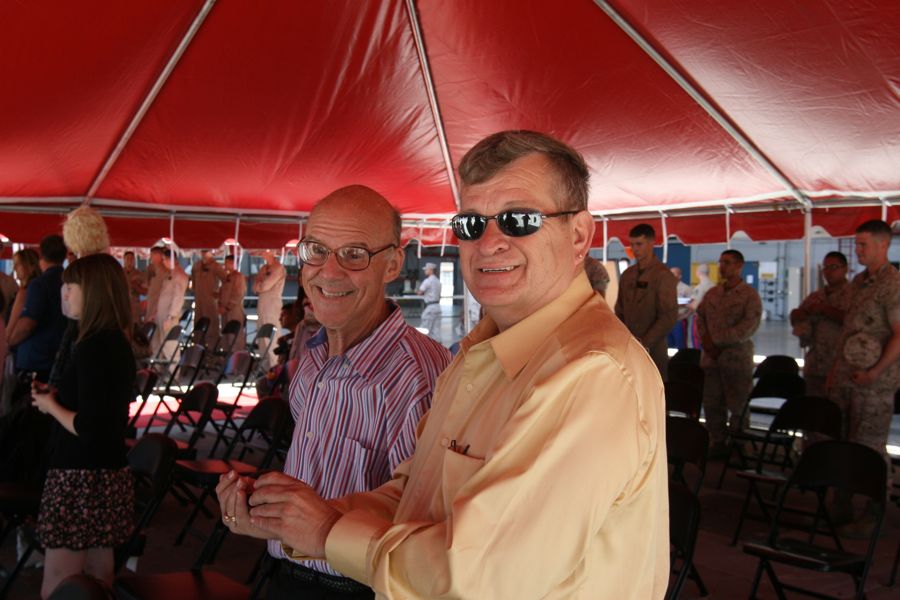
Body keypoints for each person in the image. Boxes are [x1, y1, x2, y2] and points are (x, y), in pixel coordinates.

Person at [217, 131, 668, 598]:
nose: (489, 242)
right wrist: (292, 517)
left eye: (518, 220)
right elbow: (415, 498)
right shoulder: (483, 354)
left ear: (578, 235)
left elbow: (483, 578)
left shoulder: (590, 372)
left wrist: (327, 532)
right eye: (472, 225)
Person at [220, 185, 451, 599]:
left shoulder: (420, 377)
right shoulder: (312, 360)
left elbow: (427, 535)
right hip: (283, 575)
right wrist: (263, 516)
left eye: (354, 254)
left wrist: (325, 532)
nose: (328, 271)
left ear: (394, 264)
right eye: (316, 250)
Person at [30, 253, 136, 598]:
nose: (64, 294)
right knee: (97, 578)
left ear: (93, 293)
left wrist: (50, 405)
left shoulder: (93, 346)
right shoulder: (113, 341)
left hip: (80, 476)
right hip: (106, 473)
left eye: (70, 287)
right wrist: (60, 397)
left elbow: (91, 426)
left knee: (61, 582)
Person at [828, 220, 900, 535]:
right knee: (843, 441)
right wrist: (834, 371)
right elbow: (847, 332)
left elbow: (899, 335)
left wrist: (875, 372)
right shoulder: (859, 283)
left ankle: (875, 510)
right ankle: (841, 504)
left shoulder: (893, 285)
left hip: (875, 382)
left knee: (870, 446)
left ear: (883, 245)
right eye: (856, 244)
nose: (857, 250)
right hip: (847, 376)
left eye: (863, 245)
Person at [696, 250, 762, 457]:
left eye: (728, 262)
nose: (723, 267)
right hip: (712, 360)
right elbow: (701, 318)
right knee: (712, 402)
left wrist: (717, 341)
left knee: (738, 404)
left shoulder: (749, 295)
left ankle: (738, 443)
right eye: (721, 262)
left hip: (736, 360)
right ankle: (717, 441)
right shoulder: (713, 294)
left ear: (739, 266)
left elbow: (749, 326)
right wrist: (706, 341)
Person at [614, 224, 678, 378]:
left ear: (651, 243)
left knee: (652, 395)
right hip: (628, 348)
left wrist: (644, 343)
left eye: (639, 244)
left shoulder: (663, 276)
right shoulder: (628, 275)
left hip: (653, 350)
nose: (635, 249)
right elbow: (619, 310)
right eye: (632, 245)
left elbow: (668, 316)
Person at [8, 235, 68, 383]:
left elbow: (27, 324)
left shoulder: (38, 285)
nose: (14, 268)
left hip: (35, 359)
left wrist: (8, 343)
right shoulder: (68, 281)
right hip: (59, 356)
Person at [790, 251, 851, 397]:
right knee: (814, 410)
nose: (828, 272)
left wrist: (826, 310)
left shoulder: (855, 294)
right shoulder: (816, 296)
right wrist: (796, 315)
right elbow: (798, 318)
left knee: (837, 412)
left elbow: (855, 321)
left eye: (833, 267)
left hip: (841, 366)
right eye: (825, 268)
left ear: (845, 269)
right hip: (815, 365)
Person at [253, 250, 287, 367]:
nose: (262, 252)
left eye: (265, 250)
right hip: (262, 305)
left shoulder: (278, 268)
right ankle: (264, 368)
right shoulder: (263, 268)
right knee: (262, 337)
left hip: (272, 306)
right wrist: (259, 285)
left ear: (272, 252)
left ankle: (275, 366)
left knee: (272, 337)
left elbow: (264, 286)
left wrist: (260, 285)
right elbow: (255, 286)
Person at [154, 250, 188, 353]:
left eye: (164, 259)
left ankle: (173, 369)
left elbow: (178, 297)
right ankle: (158, 368)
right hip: (162, 313)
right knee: (159, 344)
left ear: (170, 259)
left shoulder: (179, 275)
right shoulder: (171, 273)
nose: (163, 262)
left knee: (169, 346)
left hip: (169, 315)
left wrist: (170, 316)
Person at [5, 248, 41, 344]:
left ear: (30, 266)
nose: (14, 267)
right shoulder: (38, 288)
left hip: (19, 345)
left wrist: (6, 344)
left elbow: (11, 327)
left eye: (18, 264)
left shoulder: (25, 292)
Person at [218, 254, 246, 350]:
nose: (225, 265)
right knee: (226, 335)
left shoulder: (239, 277)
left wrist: (227, 307)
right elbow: (222, 292)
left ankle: (236, 357)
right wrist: (220, 305)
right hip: (224, 311)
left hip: (234, 310)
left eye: (227, 263)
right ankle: (226, 355)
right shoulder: (226, 277)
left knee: (235, 336)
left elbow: (238, 294)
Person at [191, 250, 221, 338]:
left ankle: (212, 348)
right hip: (199, 300)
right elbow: (193, 281)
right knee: (198, 324)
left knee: (211, 324)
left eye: (206, 251)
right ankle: (197, 345)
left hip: (210, 301)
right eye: (203, 251)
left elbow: (226, 281)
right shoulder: (196, 265)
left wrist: (219, 294)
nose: (204, 254)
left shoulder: (216, 266)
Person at [668, 266, 693, 350]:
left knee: (680, 344)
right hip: (667, 321)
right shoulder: (665, 288)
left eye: (674, 273)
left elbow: (692, 306)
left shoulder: (686, 289)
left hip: (679, 321)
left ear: (679, 276)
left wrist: (684, 316)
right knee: (668, 344)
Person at [417, 262, 442, 342]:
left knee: (424, 329)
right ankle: (437, 348)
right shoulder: (438, 281)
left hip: (430, 307)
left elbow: (420, 292)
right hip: (437, 307)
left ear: (431, 270)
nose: (425, 271)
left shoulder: (428, 281)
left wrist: (418, 292)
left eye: (426, 269)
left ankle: (423, 347)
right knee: (436, 330)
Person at [122, 251, 147, 326]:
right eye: (127, 259)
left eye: (132, 259)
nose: (130, 261)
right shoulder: (119, 272)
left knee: (135, 328)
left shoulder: (140, 274)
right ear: (124, 259)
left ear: (134, 261)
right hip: (121, 305)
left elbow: (145, 292)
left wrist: (135, 286)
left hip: (134, 306)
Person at [144, 246, 165, 326]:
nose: (151, 257)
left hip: (158, 308)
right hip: (150, 304)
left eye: (152, 255)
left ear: (158, 255)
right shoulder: (151, 268)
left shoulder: (164, 271)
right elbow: (146, 285)